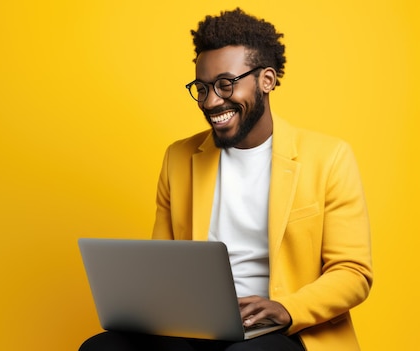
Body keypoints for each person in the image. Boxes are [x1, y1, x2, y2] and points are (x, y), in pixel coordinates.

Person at [79, 7, 372, 351]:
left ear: (266, 80)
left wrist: (285, 309)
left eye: (225, 84)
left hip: (285, 329)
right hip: (195, 326)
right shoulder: (179, 158)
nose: (211, 101)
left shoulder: (328, 157)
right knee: (102, 348)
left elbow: (353, 272)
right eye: (202, 88)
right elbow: (160, 264)